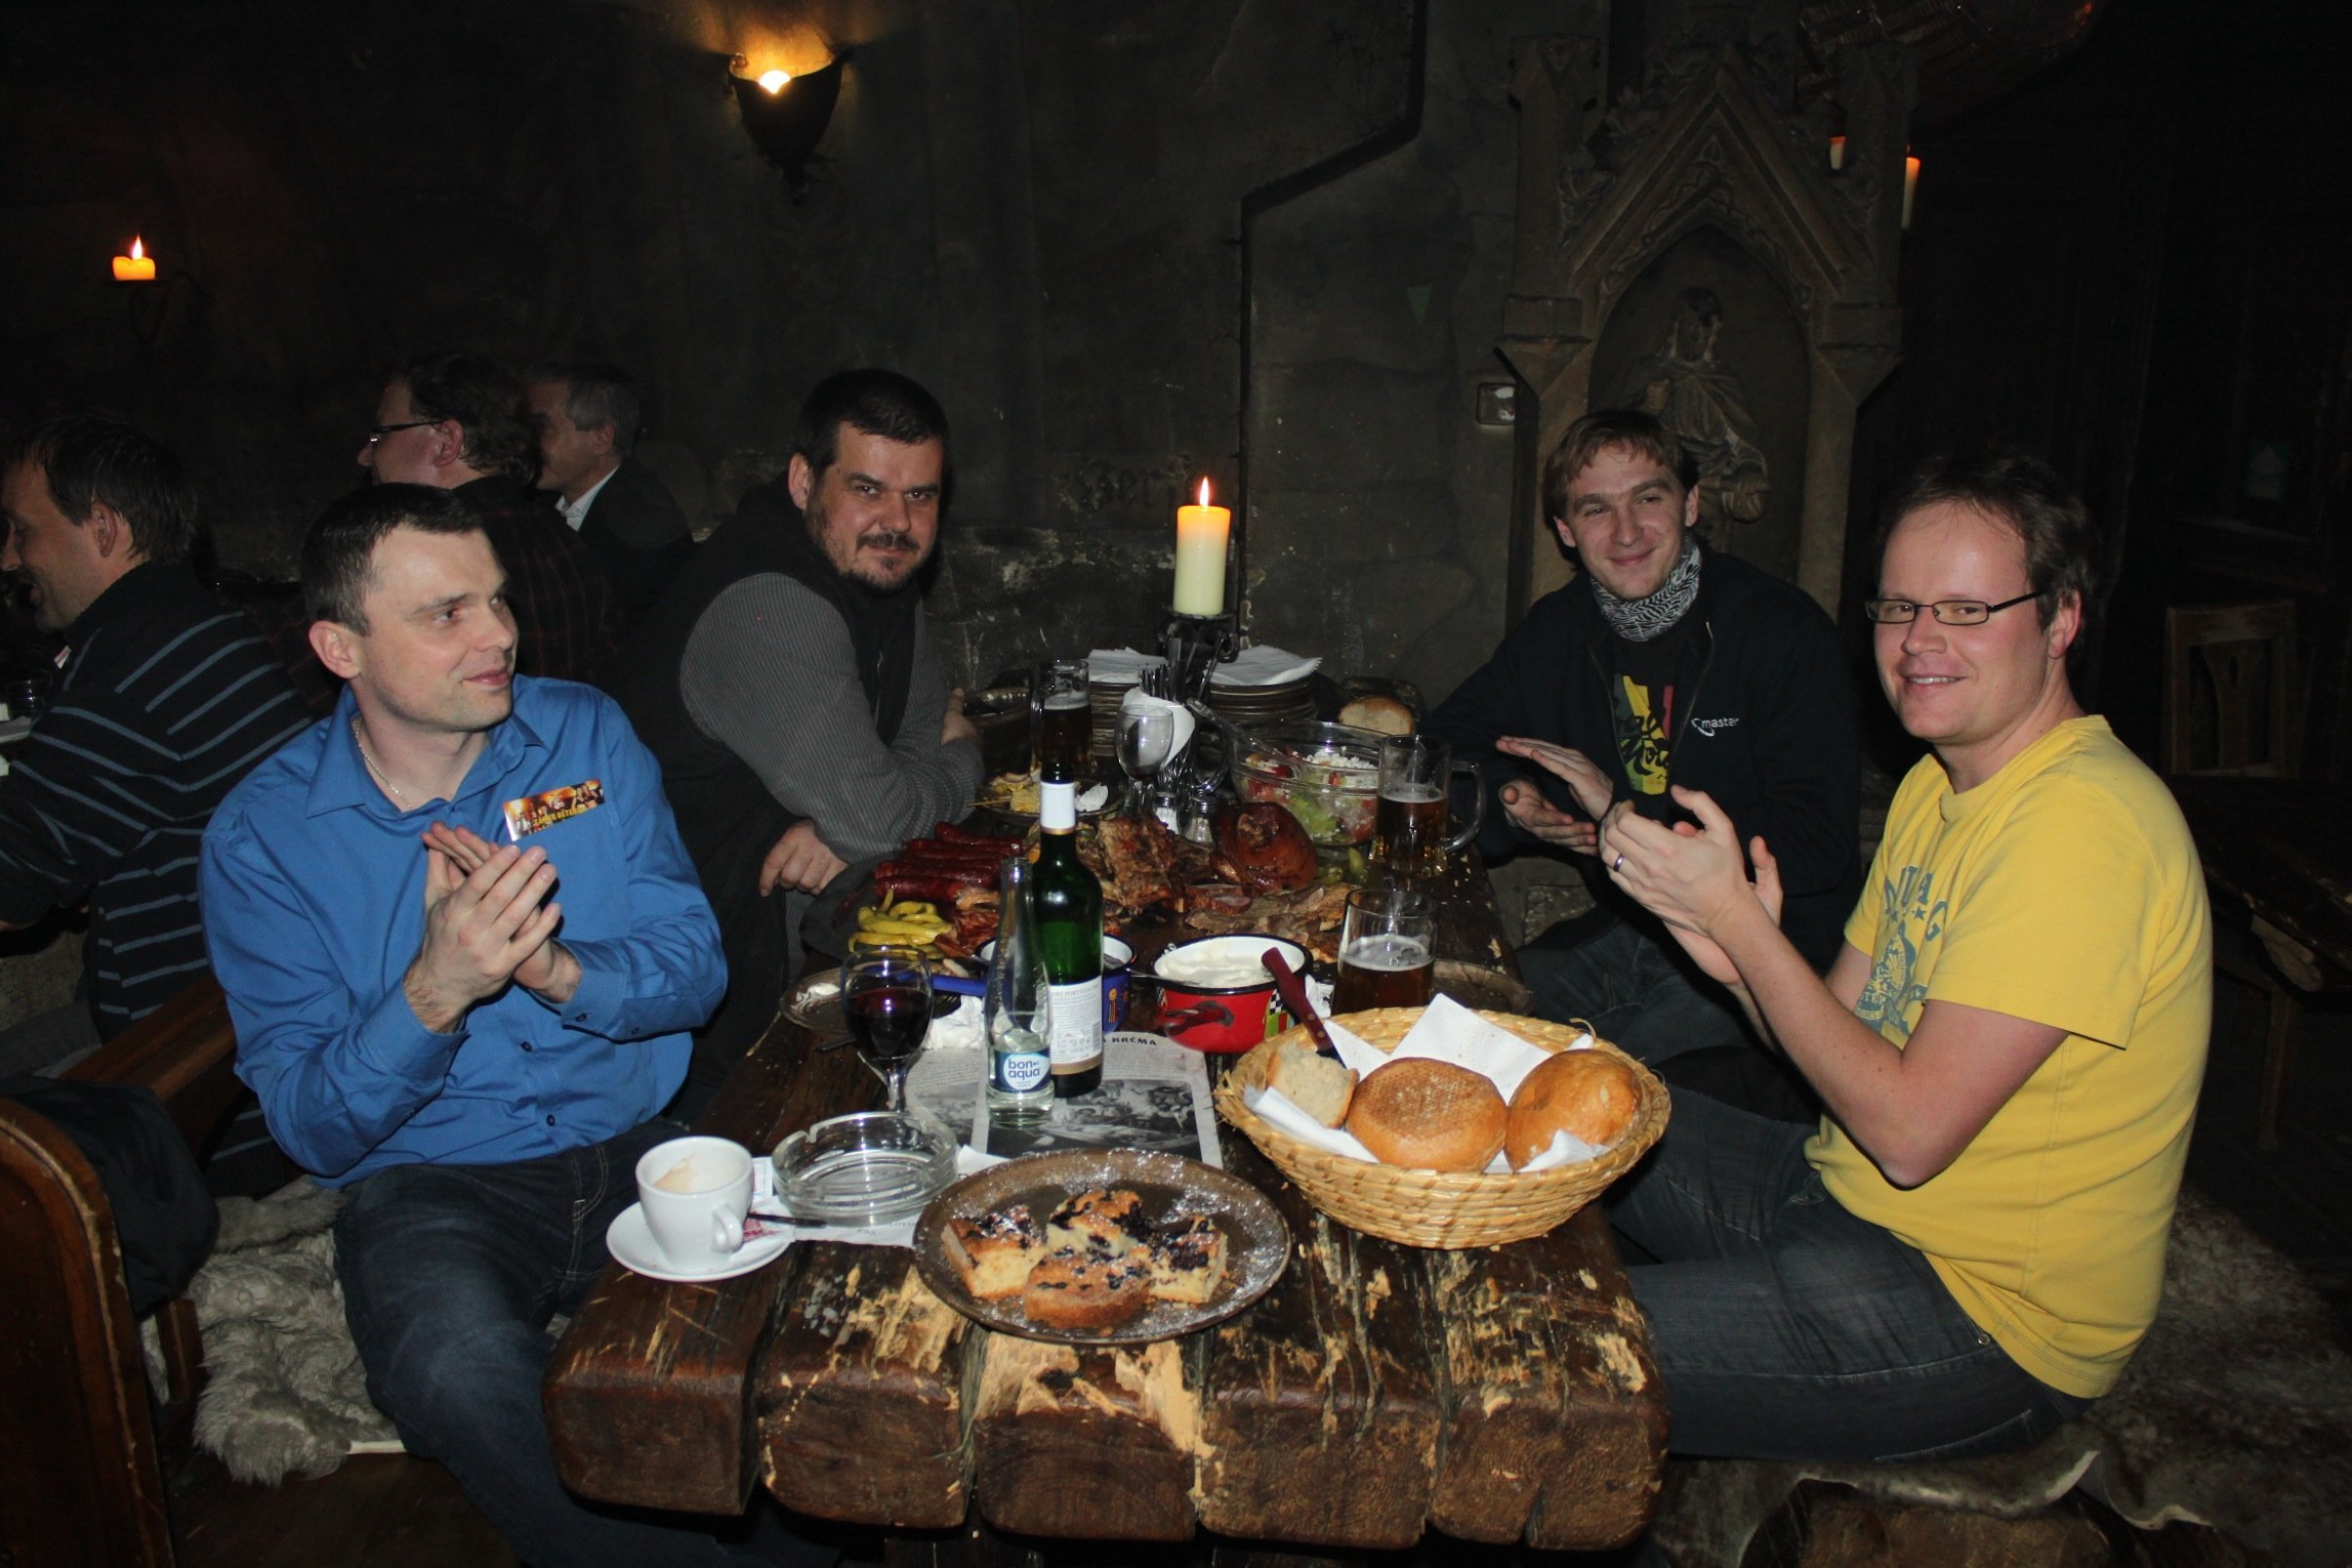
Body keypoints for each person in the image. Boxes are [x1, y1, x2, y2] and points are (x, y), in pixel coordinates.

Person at [198, 485, 812, 1565]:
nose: (497, 635)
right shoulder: (265, 837)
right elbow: (308, 1128)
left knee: (822, 1318)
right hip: (435, 1183)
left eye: (496, 599)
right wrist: (433, 993)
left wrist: (560, 971)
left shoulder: (582, 734)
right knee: (450, 1364)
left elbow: (694, 970)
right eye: (447, 613)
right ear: (341, 647)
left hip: (640, 1144)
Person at [1595, 451, 2210, 1461]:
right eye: (1898, 607)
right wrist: (1739, 964)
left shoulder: (2084, 828)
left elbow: (1909, 1134)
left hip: (1979, 1316)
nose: (1919, 641)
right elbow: (1840, 1041)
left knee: (1550, 1347)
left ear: (2060, 619)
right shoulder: (1937, 784)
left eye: (1966, 610)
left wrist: (1745, 926)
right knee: (1562, 1093)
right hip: (1841, 1193)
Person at [1424, 409, 1858, 1116]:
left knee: (1572, 1099)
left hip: (1770, 957)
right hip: (1640, 930)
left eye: (1647, 498)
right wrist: (1510, 799)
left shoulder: (1780, 631)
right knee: (1454, 1034)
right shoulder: (1561, 629)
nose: (1625, 533)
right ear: (1565, 530)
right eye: (1595, 509)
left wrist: (1623, 817)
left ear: (1690, 504)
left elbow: (1817, 842)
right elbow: (1442, 743)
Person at [619, 370, 981, 1113]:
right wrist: (966, 756)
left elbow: (909, 744)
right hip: (696, 1001)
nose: (898, 522)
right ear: (802, 481)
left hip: (782, 949)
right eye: (867, 489)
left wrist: (844, 817)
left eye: (921, 495)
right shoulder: (770, 600)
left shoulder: (879, 574)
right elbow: (884, 817)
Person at [0, 416, 307, 1077]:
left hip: (204, 1060)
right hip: (242, 1003)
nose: (9, 558)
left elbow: (9, 891)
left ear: (103, 527)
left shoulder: (128, 671)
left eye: (23, 531)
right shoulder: (208, 625)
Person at [361, 351, 614, 681]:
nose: (365, 455)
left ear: (447, 442)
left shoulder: (409, 555)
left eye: (380, 435)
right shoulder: (568, 543)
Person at [527, 361, 695, 640]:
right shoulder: (538, 506)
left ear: (601, 439)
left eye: (542, 428)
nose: (526, 442)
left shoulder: (645, 531)